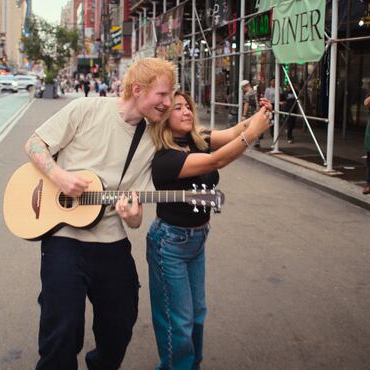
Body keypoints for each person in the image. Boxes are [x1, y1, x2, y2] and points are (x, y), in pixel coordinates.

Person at [24, 57, 176, 370]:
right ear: (137, 89)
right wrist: (60, 177)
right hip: (64, 238)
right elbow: (35, 144)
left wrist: (131, 216)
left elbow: (135, 216)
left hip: (111, 242)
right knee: (62, 330)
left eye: (171, 95)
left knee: (120, 323)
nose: (168, 102)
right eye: (162, 94)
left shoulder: (152, 139)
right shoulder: (87, 109)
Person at [147, 91, 270, 369]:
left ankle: (192, 364)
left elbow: (233, 132)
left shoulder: (196, 139)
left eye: (188, 106)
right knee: (178, 320)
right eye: (177, 108)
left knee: (197, 314)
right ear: (164, 118)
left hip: (197, 239)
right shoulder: (165, 158)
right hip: (170, 243)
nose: (187, 111)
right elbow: (217, 161)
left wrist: (258, 117)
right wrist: (253, 134)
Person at [240, 79, 260, 148]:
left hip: (250, 112)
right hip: (257, 111)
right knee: (255, 126)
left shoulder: (247, 94)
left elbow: (246, 104)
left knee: (246, 126)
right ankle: (257, 141)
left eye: (242, 88)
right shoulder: (255, 92)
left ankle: (246, 140)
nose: (242, 90)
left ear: (245, 86)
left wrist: (244, 115)